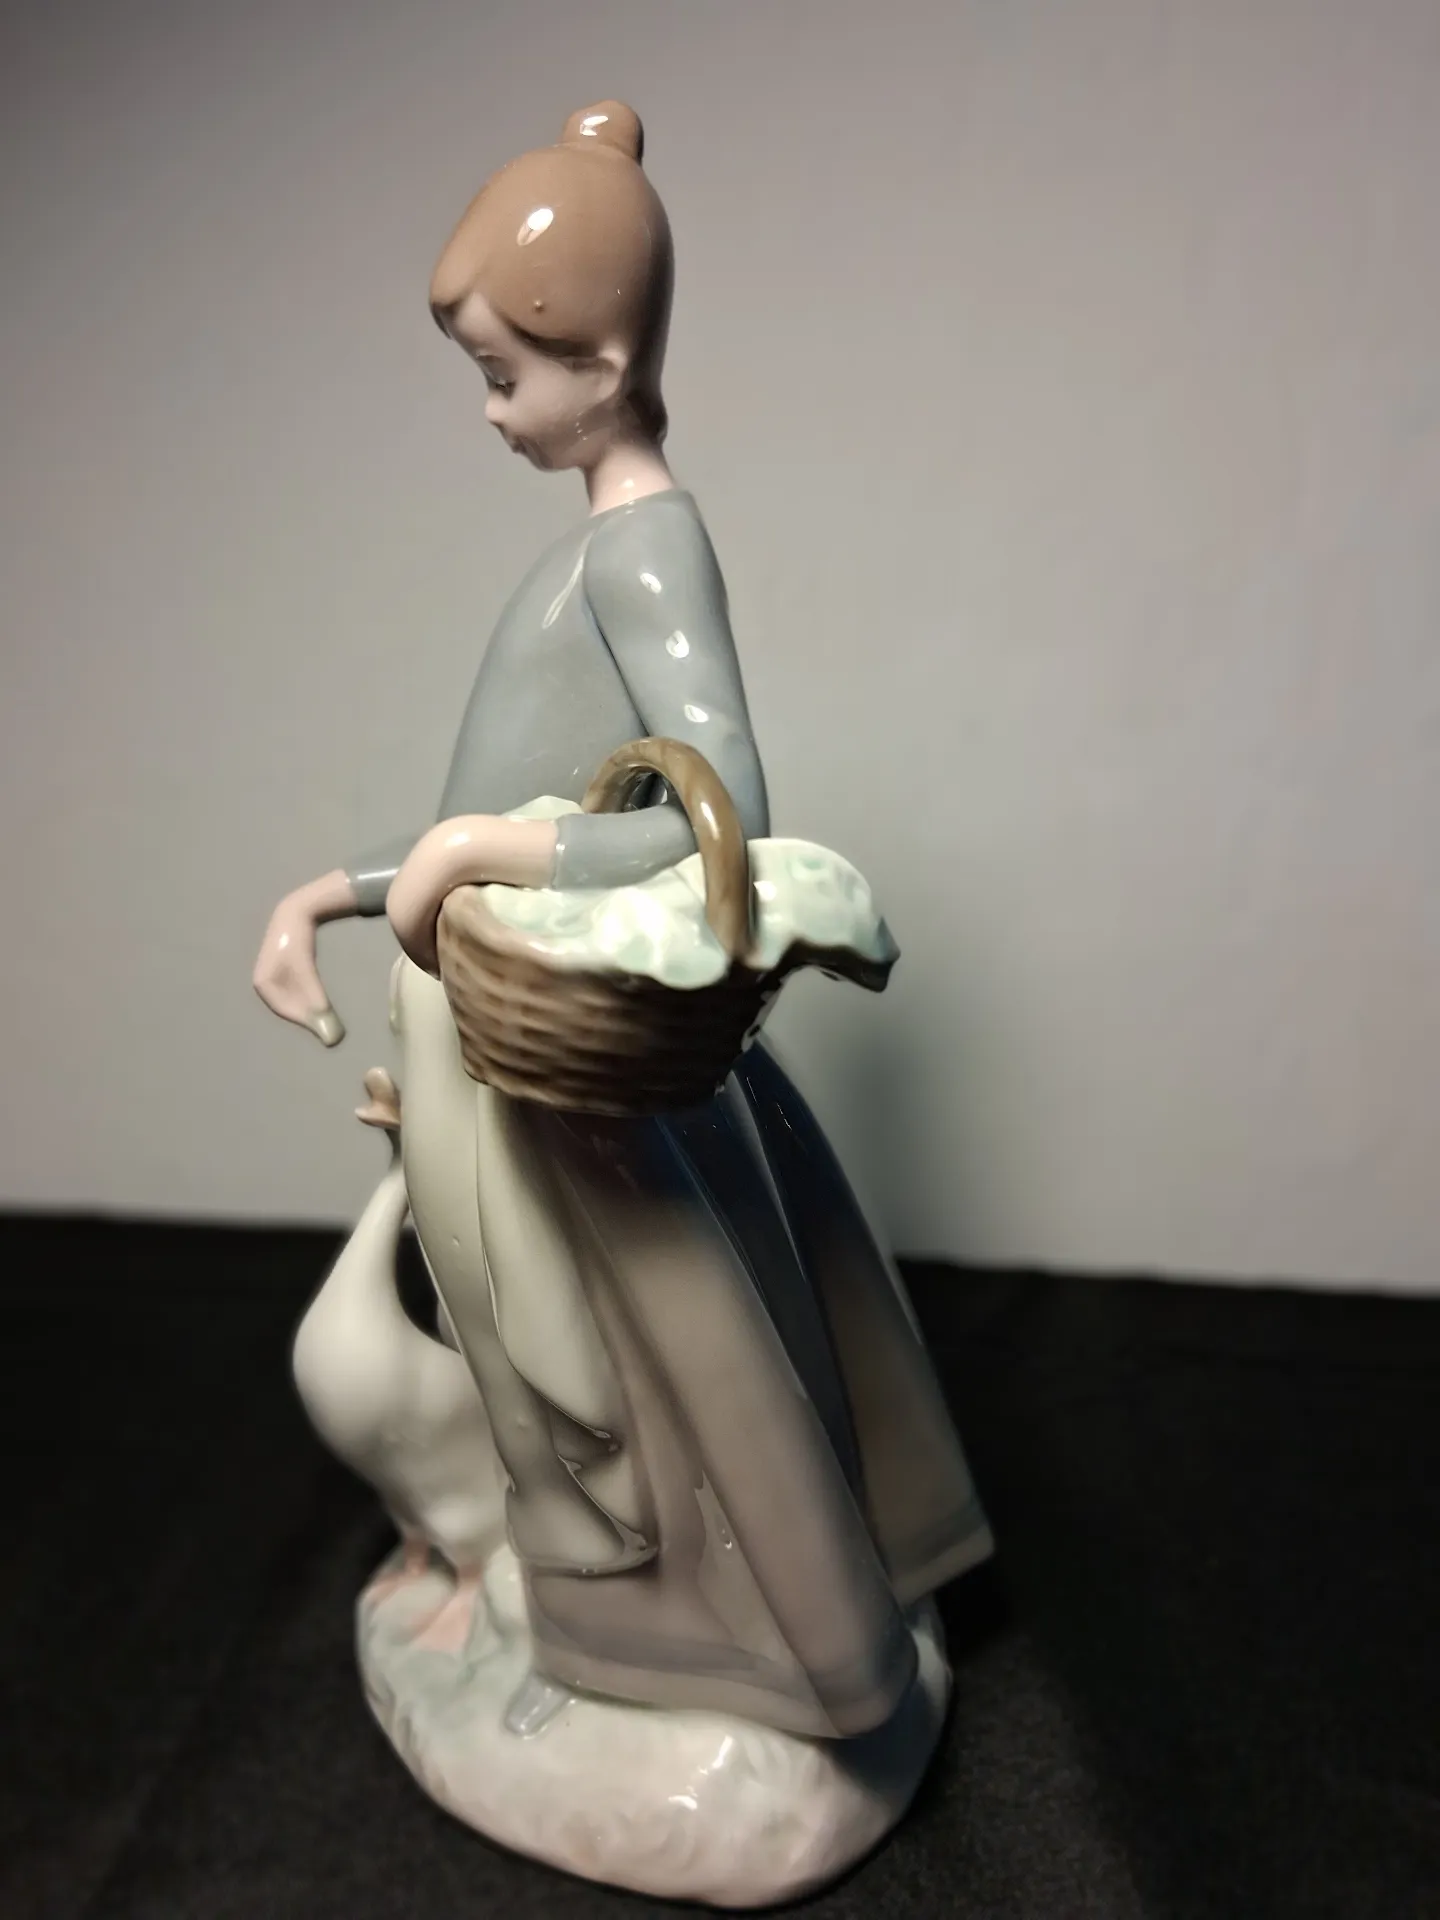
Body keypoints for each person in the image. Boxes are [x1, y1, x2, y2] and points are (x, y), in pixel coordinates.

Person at [254, 101, 991, 1741]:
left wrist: (482, 846)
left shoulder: (644, 550)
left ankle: (713, 1673)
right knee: (614, 1350)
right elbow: (486, 809)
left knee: (629, 1362)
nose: (490, 412)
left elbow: (719, 795)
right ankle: (656, 1650)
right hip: (502, 1022)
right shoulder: (597, 552)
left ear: (598, 360)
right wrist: (336, 890)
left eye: (501, 375)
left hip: (560, 1063)